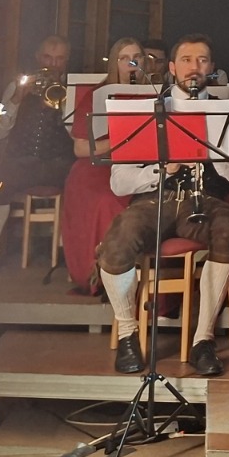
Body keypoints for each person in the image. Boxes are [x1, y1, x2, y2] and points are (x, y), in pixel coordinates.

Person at [96, 34, 229, 376]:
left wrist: (220, 157)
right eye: (186, 60)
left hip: (207, 200)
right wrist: (162, 170)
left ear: (211, 67)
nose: (194, 67)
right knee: (120, 235)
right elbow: (118, 182)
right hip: (155, 199)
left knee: (228, 228)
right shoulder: (147, 111)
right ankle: (128, 334)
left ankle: (203, 340)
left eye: (202, 60)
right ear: (171, 67)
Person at [0, 35, 75, 276]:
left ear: (67, 61)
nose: (53, 64)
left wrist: (64, 103)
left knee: (82, 185)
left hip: (60, 165)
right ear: (38, 58)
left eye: (59, 59)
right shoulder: (17, 86)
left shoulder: (73, 89)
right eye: (48, 58)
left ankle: (70, 252)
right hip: (21, 163)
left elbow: (78, 135)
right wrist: (15, 100)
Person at [59, 37, 143, 295]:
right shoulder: (98, 96)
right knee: (107, 200)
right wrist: (122, 139)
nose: (131, 63)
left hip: (142, 165)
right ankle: (105, 276)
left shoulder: (155, 93)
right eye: (124, 58)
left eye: (137, 58)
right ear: (114, 63)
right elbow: (81, 148)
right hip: (99, 166)